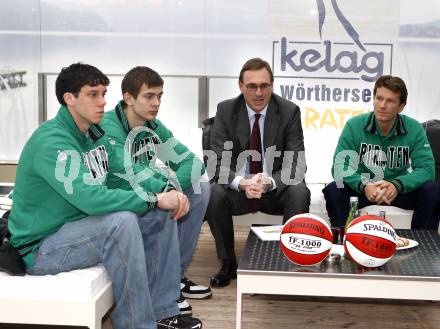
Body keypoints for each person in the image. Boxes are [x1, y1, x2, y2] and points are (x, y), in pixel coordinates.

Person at [8, 63, 203, 329]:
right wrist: (153, 198)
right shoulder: (53, 141)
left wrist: (164, 191)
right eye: (93, 94)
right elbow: (90, 198)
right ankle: (136, 324)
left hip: (79, 226)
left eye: (103, 94)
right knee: (121, 221)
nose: (102, 102)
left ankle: (163, 312)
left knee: (158, 214)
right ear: (70, 99)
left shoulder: (93, 134)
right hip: (42, 246)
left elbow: (129, 171)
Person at [100, 66, 211, 315]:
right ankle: (165, 287)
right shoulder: (108, 127)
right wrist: (167, 190)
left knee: (200, 187)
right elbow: (130, 172)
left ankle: (175, 277)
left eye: (160, 96)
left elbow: (192, 162)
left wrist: (170, 188)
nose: (156, 102)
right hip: (120, 201)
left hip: (148, 194)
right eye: (149, 96)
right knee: (168, 202)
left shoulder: (153, 127)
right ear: (128, 98)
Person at [206, 57, 310, 288]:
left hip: (273, 190)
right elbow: (216, 164)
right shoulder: (226, 110)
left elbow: (297, 164)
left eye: (265, 86)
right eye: (252, 86)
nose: (259, 92)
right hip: (239, 191)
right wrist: (241, 182)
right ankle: (227, 263)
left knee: (299, 191)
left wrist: (270, 182)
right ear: (240, 86)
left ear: (272, 85)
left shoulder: (289, 111)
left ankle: (289, 259)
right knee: (213, 192)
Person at [323, 75, 440, 231]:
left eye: (390, 101)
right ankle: (344, 243)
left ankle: (422, 247)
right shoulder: (354, 125)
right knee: (334, 188)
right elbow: (340, 166)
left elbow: (427, 169)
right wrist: (364, 185)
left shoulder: (414, 128)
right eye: (379, 98)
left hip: (397, 191)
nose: (382, 105)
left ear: (401, 106)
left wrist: (397, 185)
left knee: (432, 190)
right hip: (364, 189)